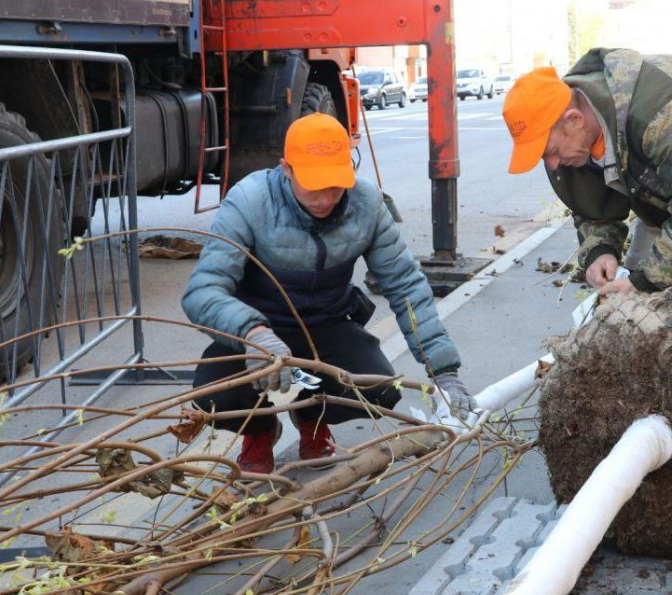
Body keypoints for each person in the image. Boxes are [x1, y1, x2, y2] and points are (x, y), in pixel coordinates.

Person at [182, 112, 472, 474]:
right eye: (313, 186)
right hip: (256, 332)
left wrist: (444, 371)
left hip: (327, 323)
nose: (325, 199)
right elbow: (202, 291)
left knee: (377, 389)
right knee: (214, 396)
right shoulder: (250, 201)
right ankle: (259, 428)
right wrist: (252, 334)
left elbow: (405, 284)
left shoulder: (367, 203)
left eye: (334, 185)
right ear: (286, 169)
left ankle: (312, 415)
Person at [502, 50, 672, 306]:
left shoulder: (659, 112)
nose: (552, 164)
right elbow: (593, 211)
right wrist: (600, 251)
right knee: (633, 301)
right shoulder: (568, 142)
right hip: (666, 179)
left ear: (574, 119)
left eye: (549, 151)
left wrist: (646, 281)